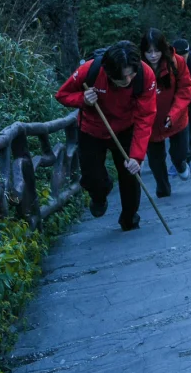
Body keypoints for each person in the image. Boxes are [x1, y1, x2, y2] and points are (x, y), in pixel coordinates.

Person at [56, 40, 157, 232]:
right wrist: (83, 99)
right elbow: (62, 95)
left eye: (130, 75)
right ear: (109, 72)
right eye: (121, 78)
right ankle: (100, 194)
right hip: (92, 129)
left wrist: (137, 156)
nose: (127, 81)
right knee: (92, 177)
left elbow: (146, 116)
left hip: (127, 127)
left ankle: (129, 219)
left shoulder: (145, 75)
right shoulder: (91, 70)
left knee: (131, 173)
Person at [140, 28, 191, 195]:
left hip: (176, 117)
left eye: (156, 51)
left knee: (179, 153)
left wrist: (174, 113)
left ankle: (180, 165)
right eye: (149, 52)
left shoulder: (176, 62)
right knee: (156, 160)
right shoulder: (137, 69)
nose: (153, 55)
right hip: (151, 122)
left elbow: (185, 88)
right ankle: (163, 188)